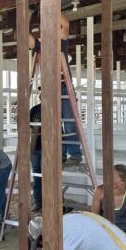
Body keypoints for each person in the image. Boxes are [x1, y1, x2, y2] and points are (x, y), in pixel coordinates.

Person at [27, 10, 82, 166]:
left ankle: (75, 155)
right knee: (55, 123)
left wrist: (51, 7)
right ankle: (61, 154)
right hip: (49, 90)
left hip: (64, 87)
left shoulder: (59, 43)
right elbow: (27, 39)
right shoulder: (40, 46)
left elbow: (65, 25)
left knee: (69, 121)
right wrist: (27, 19)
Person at [90, 164, 126, 250]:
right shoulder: (100, 191)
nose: (106, 177)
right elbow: (94, 219)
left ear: (122, 181)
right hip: (108, 234)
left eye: (111, 175)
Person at [30, 93, 43, 213]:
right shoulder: (34, 110)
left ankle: (49, 202)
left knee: (49, 176)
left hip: (48, 148)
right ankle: (38, 202)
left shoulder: (55, 109)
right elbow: (27, 125)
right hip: (35, 147)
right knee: (37, 176)